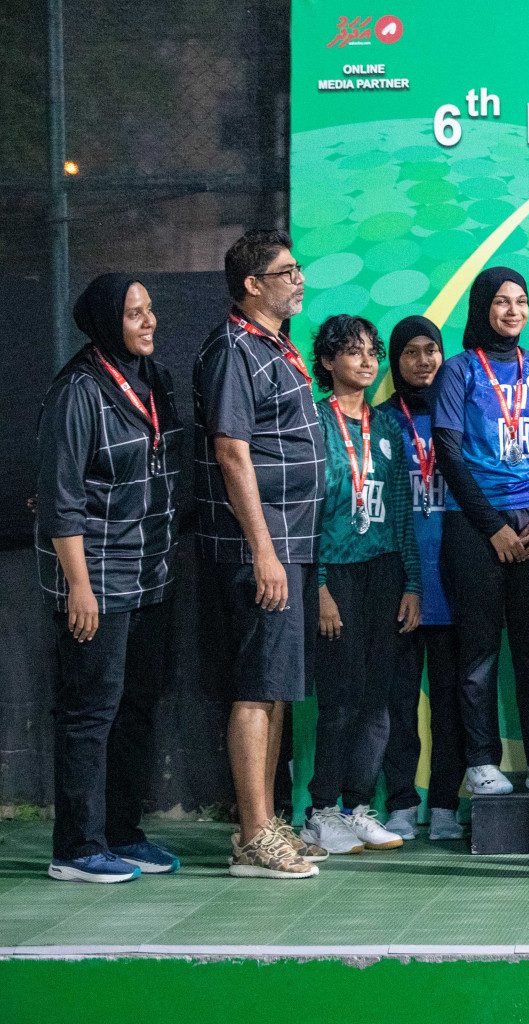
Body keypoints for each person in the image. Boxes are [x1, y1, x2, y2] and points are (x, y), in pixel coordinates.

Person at [36, 275, 184, 883]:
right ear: (105, 322)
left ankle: (122, 833)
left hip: (151, 575)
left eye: (149, 310)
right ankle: (76, 847)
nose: (148, 322)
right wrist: (79, 587)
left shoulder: (152, 382)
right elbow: (59, 501)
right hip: (95, 581)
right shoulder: (78, 391)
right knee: (91, 713)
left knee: (136, 709)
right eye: (133, 314)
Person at [195, 229, 325, 879]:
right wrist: (263, 551)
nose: (299, 280)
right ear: (253, 284)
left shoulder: (273, 345)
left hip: (290, 544)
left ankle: (267, 824)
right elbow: (231, 452)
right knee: (255, 689)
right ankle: (252, 836)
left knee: (275, 691)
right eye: (287, 271)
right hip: (261, 549)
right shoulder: (232, 350)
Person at [432, 268, 529, 795]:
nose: (512, 310)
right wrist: (491, 526)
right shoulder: (459, 371)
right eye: (500, 301)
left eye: (521, 301)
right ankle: (481, 761)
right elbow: (447, 452)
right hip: (476, 527)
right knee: (479, 649)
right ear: (481, 308)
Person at [301, 315, 421, 855]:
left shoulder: (390, 427)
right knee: (342, 700)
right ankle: (321, 811)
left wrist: (413, 582)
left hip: (385, 570)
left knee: (380, 702)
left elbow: (402, 513)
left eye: (373, 352)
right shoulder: (313, 422)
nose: (368, 362)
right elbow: (305, 514)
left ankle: (356, 809)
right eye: (353, 352)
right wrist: (320, 586)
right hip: (335, 574)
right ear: (328, 362)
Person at [379, 315, 466, 841]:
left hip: (455, 575)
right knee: (399, 703)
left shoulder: (460, 413)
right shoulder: (379, 420)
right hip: (402, 583)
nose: (422, 360)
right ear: (395, 359)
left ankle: (449, 806)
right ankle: (401, 804)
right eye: (410, 351)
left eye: (430, 349)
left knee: (454, 701)